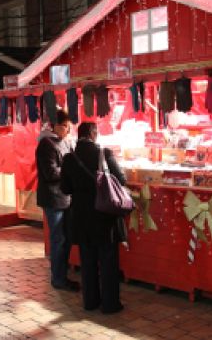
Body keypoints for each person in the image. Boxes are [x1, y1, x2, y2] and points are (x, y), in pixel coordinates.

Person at [60, 122, 128, 314]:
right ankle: (110, 304)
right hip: (104, 215)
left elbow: (65, 189)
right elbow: (121, 179)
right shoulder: (103, 154)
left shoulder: (69, 158)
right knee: (108, 261)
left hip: (81, 217)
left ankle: (90, 302)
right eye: (96, 131)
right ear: (92, 133)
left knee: (87, 261)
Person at [35, 109, 79, 292]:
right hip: (53, 199)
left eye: (69, 127)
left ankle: (62, 275)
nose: (67, 131)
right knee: (58, 239)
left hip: (66, 197)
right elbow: (51, 173)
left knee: (66, 238)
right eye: (64, 127)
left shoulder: (65, 142)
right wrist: (69, 170)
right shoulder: (46, 144)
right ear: (54, 126)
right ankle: (58, 279)